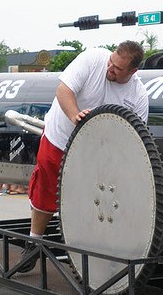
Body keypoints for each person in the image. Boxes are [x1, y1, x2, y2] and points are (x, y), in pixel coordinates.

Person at [17, 41, 148, 273]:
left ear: (133, 71)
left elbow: (135, 138)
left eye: (118, 69)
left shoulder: (138, 96)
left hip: (97, 152)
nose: (111, 68)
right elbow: (63, 91)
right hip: (61, 137)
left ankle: (83, 252)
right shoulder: (92, 59)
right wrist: (75, 115)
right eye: (111, 62)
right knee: (47, 186)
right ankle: (33, 241)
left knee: (91, 198)